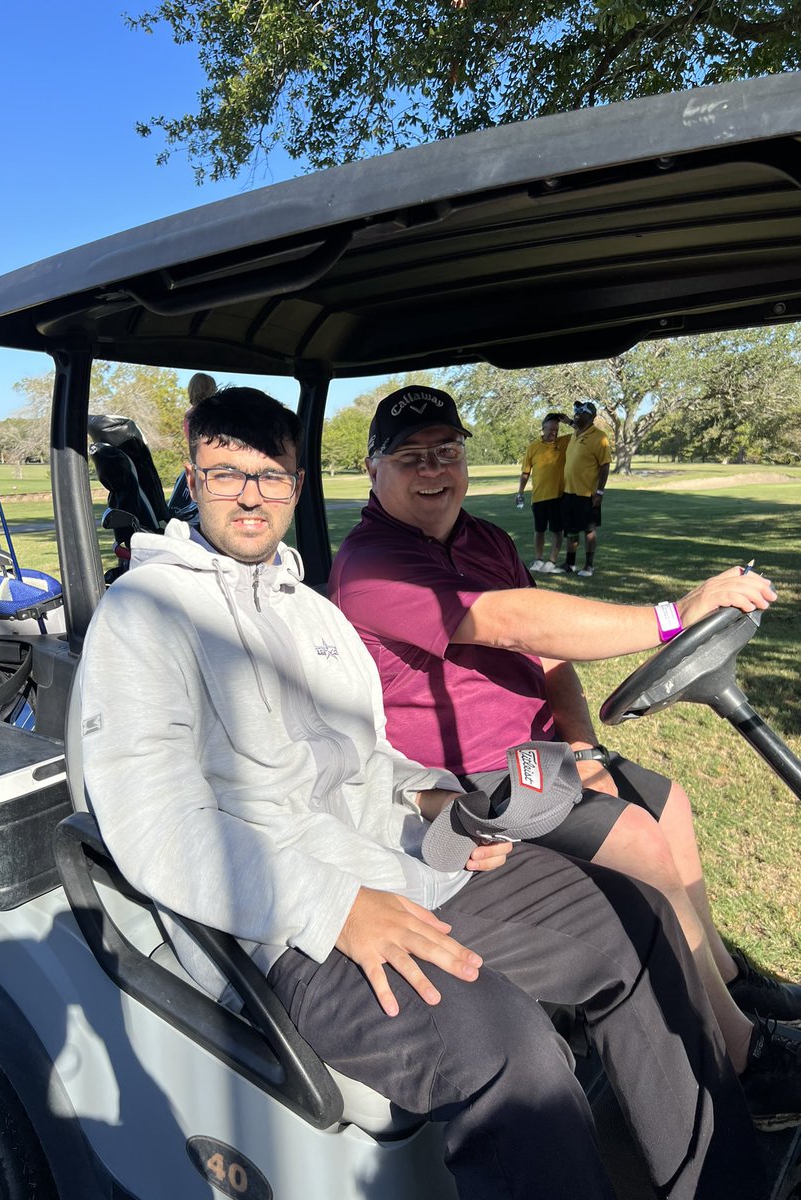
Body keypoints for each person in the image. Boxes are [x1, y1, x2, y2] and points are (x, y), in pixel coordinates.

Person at [80, 386, 769, 1200]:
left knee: (634, 914)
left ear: (298, 485)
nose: (251, 495)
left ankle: (724, 1182)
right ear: (193, 481)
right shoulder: (146, 614)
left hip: (408, 869)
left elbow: (372, 761)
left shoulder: (312, 614)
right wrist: (336, 905)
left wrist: (442, 804)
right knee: (510, 1052)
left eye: (271, 476)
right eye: (227, 473)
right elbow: (155, 823)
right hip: (290, 926)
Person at [328, 384, 801, 1122]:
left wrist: (580, 742)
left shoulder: (487, 541)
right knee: (640, 843)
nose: (434, 470)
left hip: (538, 757)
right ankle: (740, 1057)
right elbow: (509, 619)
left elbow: (547, 652)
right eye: (411, 456)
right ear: (372, 469)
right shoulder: (371, 565)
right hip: (464, 784)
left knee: (666, 803)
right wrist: (674, 616)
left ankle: (726, 982)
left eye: (447, 451)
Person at [516, 412, 570, 573]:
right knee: (539, 530)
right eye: (551, 429)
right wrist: (520, 492)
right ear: (543, 428)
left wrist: (569, 421)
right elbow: (525, 472)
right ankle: (538, 559)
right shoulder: (533, 447)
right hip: (538, 496)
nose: (554, 433)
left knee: (556, 531)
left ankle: (552, 561)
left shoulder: (564, 442)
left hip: (558, 496)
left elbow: (581, 432)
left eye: (557, 429)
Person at [561, 400, 610, 577]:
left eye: (580, 413)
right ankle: (570, 564)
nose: (577, 415)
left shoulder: (599, 437)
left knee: (589, 530)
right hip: (569, 491)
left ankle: (589, 566)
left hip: (587, 493)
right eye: (576, 412)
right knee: (571, 530)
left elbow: (605, 466)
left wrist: (599, 492)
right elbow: (575, 425)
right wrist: (568, 422)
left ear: (591, 416)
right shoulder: (576, 433)